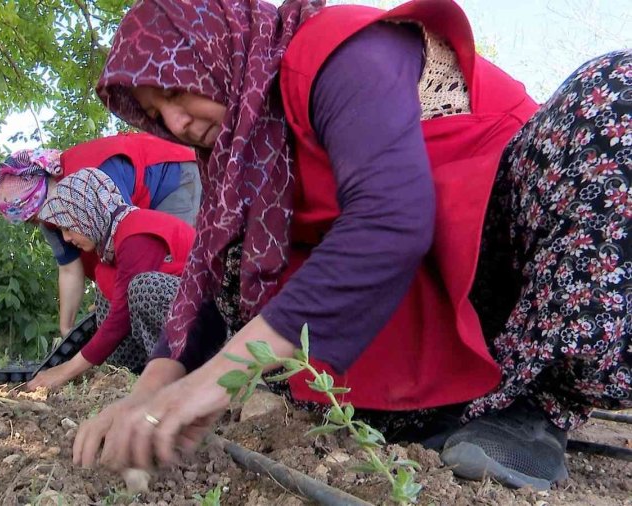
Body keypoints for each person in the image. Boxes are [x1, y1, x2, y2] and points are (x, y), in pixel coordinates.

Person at [71, 0, 632, 491]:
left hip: (507, 256)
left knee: (613, 94)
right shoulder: (235, 159)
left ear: (215, 50)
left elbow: (392, 219)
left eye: (174, 88)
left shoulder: (334, 52)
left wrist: (209, 385)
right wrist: (152, 391)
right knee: (199, 280)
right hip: (411, 308)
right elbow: (202, 278)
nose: (174, 120)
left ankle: (541, 405)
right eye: (154, 111)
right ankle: (443, 406)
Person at [0, 132, 201, 337]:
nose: (41, 220)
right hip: (141, 206)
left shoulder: (93, 175)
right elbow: (69, 270)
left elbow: (128, 240)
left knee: (169, 268)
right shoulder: (51, 218)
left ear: (46, 190)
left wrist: (113, 298)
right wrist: (67, 329)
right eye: (32, 220)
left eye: (36, 212)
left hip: (172, 175)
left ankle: (195, 345)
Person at [17, 168, 196, 390]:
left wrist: (66, 370)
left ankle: (177, 373)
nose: (66, 238)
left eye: (68, 227)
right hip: (181, 315)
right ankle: (127, 372)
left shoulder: (135, 233)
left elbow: (120, 318)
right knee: (105, 289)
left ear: (86, 214)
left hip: (209, 318)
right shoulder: (112, 245)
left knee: (142, 288)